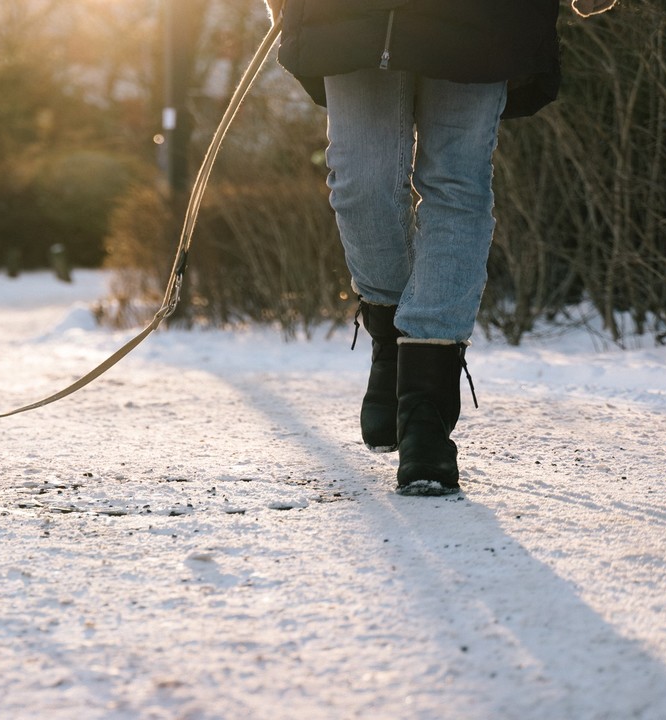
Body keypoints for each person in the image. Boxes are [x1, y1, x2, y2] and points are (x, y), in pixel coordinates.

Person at [263, 0, 613, 495]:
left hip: (482, 17)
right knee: (361, 183)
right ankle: (390, 337)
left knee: (457, 183)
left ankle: (426, 410)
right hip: (347, 13)